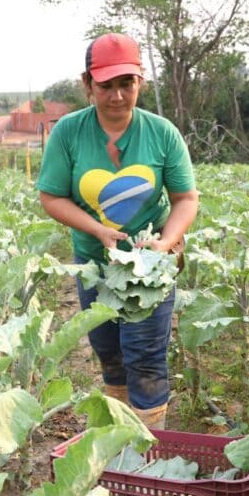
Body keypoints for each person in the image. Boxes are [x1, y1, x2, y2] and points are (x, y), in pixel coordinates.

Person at [36, 32, 199, 430]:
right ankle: (120, 435)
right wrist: (98, 230)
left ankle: (148, 449)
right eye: (106, 85)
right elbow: (51, 196)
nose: (117, 96)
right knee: (108, 350)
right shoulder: (69, 133)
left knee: (144, 355)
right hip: (94, 262)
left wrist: (166, 242)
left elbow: (185, 198)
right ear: (87, 84)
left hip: (149, 266)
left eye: (127, 84)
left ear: (140, 81)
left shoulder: (161, 133)